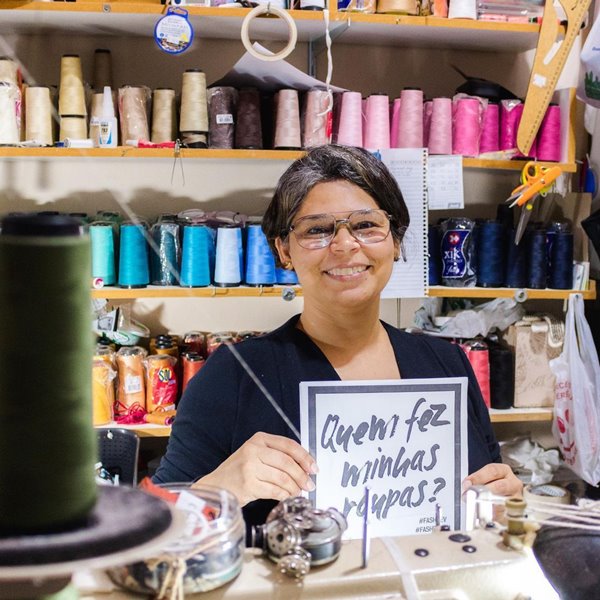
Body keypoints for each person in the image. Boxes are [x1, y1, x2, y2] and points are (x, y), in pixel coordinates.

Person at [154, 144, 522, 528]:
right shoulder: (234, 375)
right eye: (317, 230)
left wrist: (508, 506)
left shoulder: (447, 364)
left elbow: (488, 499)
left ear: (395, 241)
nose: (345, 245)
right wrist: (219, 489)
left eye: (366, 225)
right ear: (284, 250)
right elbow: (152, 530)